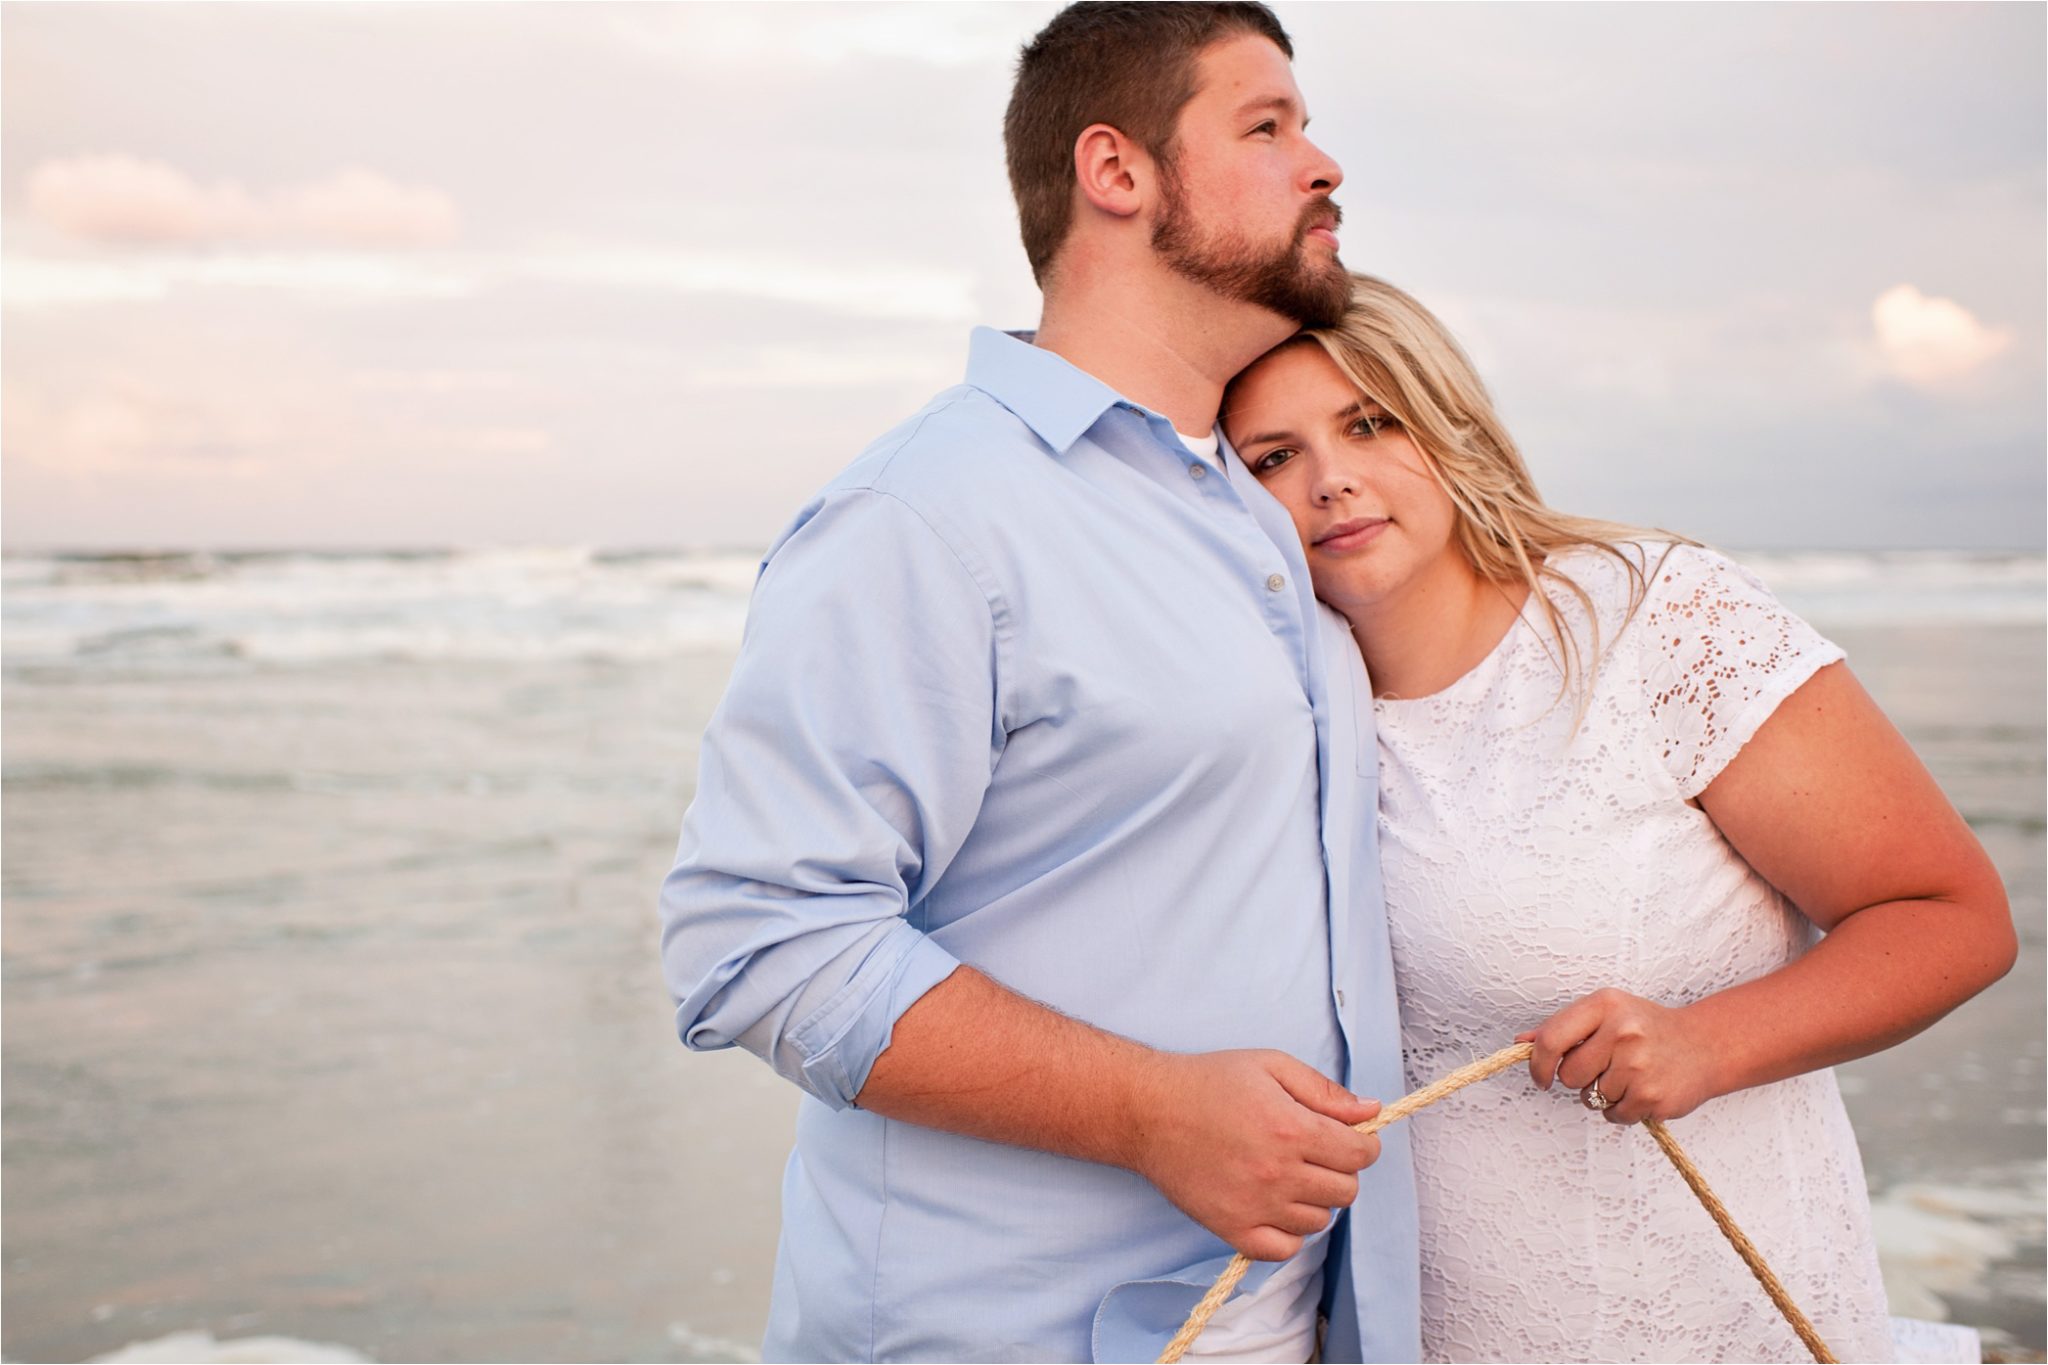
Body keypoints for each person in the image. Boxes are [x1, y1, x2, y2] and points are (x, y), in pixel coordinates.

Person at [659, 8, 1420, 1361]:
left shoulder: (1253, 504)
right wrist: (1150, 1111)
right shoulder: (929, 515)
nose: (1324, 164)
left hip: (1275, 1321)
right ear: (1116, 172)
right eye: (1268, 125)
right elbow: (757, 943)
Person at [1221, 273, 2019, 1363]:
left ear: (1444, 422)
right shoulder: (1269, 706)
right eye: (1273, 457)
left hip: (1717, 1321)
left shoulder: (1652, 617)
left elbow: (1950, 916)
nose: (1330, 482)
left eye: (1369, 422)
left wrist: (1707, 1041)